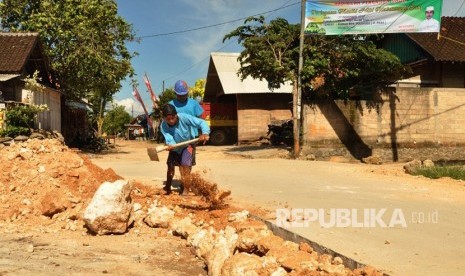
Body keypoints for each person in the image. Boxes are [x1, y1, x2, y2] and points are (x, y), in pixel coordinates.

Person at [160, 103, 210, 195]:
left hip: (188, 145)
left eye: (173, 118)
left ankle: (186, 188)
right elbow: (169, 138)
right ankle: (167, 187)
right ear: (164, 118)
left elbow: (201, 122)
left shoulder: (184, 117)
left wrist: (205, 133)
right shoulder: (163, 126)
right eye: (168, 119)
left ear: (176, 115)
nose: (171, 121)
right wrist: (171, 145)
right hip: (175, 147)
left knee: (186, 166)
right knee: (170, 166)